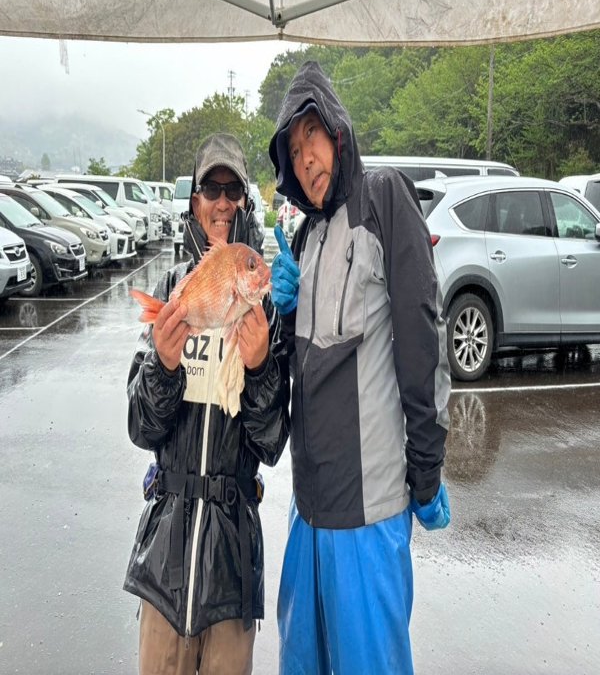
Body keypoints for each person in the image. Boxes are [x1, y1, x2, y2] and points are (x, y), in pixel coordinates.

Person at [268, 61, 451, 675]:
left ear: (337, 131)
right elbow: (297, 371)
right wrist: (280, 317)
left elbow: (422, 337)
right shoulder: (304, 238)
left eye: (311, 137)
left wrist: (426, 468)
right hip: (308, 512)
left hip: (369, 515)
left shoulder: (383, 199)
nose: (306, 160)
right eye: (293, 152)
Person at [124, 133, 290, 675]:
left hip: (231, 568)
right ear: (195, 201)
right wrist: (163, 366)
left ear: (244, 202)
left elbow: (271, 443)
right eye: (211, 190)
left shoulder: (262, 309)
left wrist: (261, 367)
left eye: (232, 190)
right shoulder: (173, 293)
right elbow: (141, 426)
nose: (222, 202)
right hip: (164, 560)